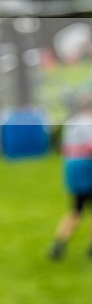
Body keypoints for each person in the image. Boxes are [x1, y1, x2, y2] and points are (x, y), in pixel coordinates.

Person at [48, 93, 92, 260]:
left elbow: (64, 147)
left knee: (76, 209)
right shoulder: (89, 124)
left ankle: (59, 244)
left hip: (71, 169)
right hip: (87, 168)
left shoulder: (72, 122)